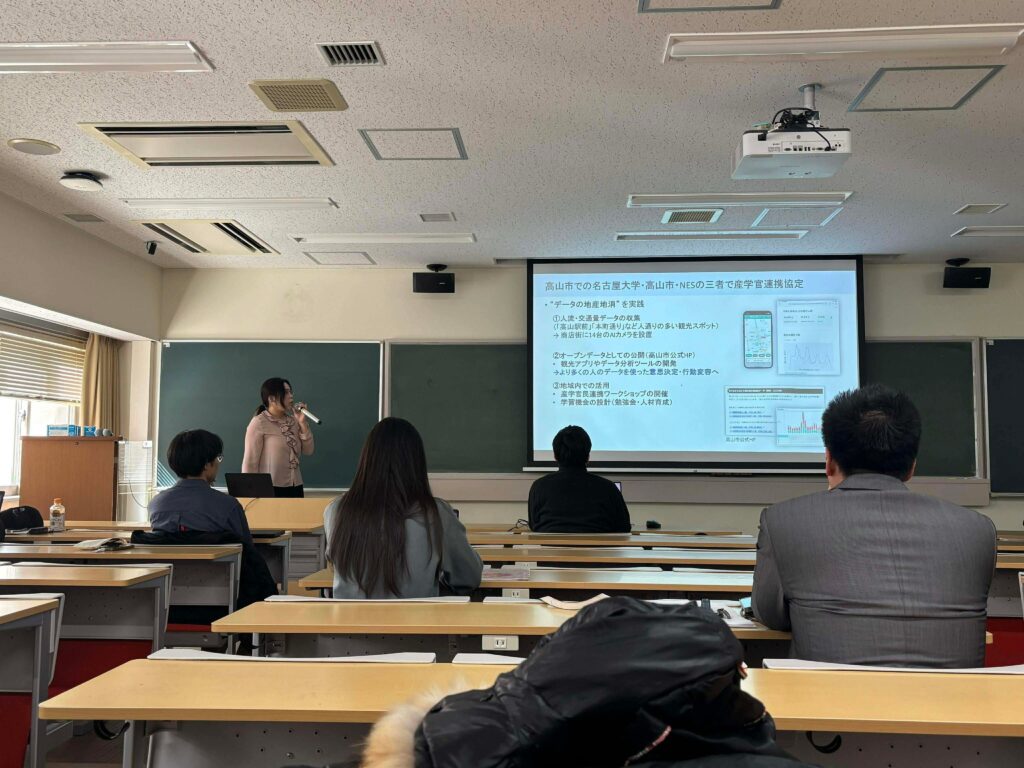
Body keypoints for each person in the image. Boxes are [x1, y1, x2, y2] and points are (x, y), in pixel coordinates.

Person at [752, 384, 996, 668]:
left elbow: (771, 615)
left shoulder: (784, 521)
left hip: (829, 695)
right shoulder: (978, 530)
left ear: (829, 461)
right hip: (953, 697)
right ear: (912, 466)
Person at [324, 417, 482, 598]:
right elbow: (469, 577)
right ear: (416, 463)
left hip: (349, 617)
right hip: (416, 617)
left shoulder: (336, 511)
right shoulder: (436, 513)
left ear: (367, 459)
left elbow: (335, 565)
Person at [149, 428, 253, 546]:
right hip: (218, 559)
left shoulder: (156, 505)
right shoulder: (228, 506)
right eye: (218, 458)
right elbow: (247, 550)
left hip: (170, 559)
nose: (218, 463)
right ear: (207, 464)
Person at [528, 425, 630, 533]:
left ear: (555, 456)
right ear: (588, 456)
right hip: (596, 544)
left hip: (550, 544)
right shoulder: (608, 488)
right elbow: (624, 528)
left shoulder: (539, 487)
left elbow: (534, 525)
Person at [242, 377, 314, 498]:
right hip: (270, 488)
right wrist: (250, 493)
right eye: (286, 392)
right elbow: (250, 463)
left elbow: (308, 450)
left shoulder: (293, 421)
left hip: (296, 486)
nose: (291, 396)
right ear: (271, 398)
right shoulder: (259, 422)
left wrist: (302, 423)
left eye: (291, 392)